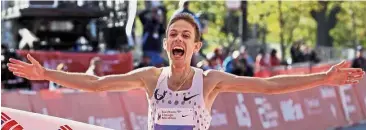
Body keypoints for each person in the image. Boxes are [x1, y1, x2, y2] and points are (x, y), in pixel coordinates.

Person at [7, 13, 364, 130]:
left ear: (196, 47)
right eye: (172, 34)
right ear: (166, 44)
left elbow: (268, 87)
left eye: (185, 36)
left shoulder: (210, 81)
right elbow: (97, 84)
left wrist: (323, 78)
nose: (178, 39)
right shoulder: (150, 77)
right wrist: (47, 75)